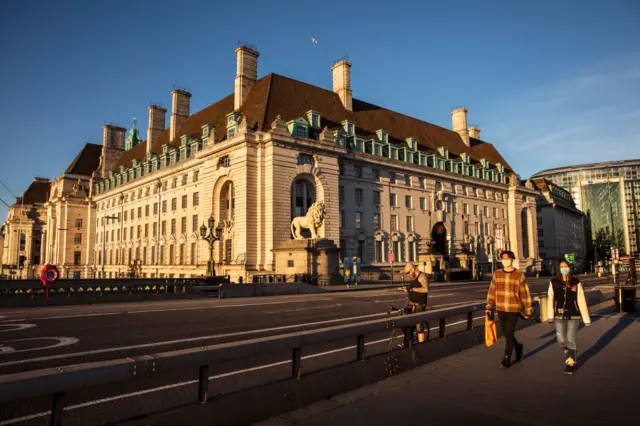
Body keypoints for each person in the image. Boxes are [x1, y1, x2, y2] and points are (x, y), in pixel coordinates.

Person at [485, 250, 533, 368]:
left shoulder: (519, 274)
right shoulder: (497, 274)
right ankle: (518, 347)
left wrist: (528, 309)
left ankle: (506, 358)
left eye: (507, 258)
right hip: (501, 307)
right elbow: (492, 291)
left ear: (512, 259)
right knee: (507, 334)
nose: (505, 260)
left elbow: (524, 293)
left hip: (514, 308)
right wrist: (489, 306)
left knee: (509, 332)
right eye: (503, 258)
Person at [547, 257, 591, 375]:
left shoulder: (576, 282)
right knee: (561, 340)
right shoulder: (553, 282)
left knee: (571, 338)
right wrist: (550, 315)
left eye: (566, 267)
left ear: (569, 268)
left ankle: (570, 362)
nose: (564, 269)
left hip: (574, 315)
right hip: (559, 315)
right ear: (558, 269)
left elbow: (581, 300)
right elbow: (550, 298)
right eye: (561, 267)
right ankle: (569, 351)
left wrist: (586, 319)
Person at [403, 262, 429, 343]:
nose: (408, 274)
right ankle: (408, 341)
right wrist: (407, 289)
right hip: (411, 304)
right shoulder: (414, 277)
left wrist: (413, 289)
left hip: (419, 305)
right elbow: (412, 287)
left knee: (419, 328)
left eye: (409, 272)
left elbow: (425, 289)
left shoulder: (422, 276)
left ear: (413, 269)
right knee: (405, 322)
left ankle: (422, 346)